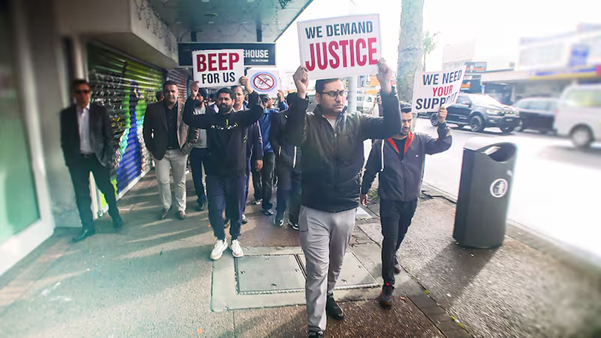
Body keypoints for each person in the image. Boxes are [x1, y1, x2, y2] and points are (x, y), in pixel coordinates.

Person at [286, 59, 401, 338]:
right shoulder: (309, 122)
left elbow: (391, 127)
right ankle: (316, 326)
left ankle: (329, 295)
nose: (340, 98)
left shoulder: (357, 121)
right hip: (314, 209)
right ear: (318, 97)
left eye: (342, 92)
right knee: (317, 269)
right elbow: (290, 136)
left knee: (336, 264)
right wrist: (299, 95)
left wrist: (387, 87)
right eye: (333, 93)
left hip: (347, 207)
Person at [361, 104, 452, 308]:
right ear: (394, 121)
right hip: (389, 201)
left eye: (409, 120)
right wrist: (364, 190)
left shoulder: (420, 140)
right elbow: (370, 169)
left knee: (400, 236)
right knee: (389, 239)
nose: (406, 125)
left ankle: (392, 257)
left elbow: (443, 145)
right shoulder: (382, 145)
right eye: (403, 121)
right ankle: (387, 286)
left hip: (410, 200)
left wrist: (443, 124)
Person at [183, 77, 263, 260]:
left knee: (236, 209)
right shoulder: (210, 118)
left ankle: (235, 238)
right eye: (220, 99)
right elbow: (188, 118)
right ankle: (220, 239)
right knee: (215, 209)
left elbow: (258, 110)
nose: (224, 101)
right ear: (216, 102)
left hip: (237, 174)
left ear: (233, 101)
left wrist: (249, 88)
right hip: (215, 175)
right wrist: (192, 96)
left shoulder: (241, 118)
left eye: (227, 98)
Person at [60, 79, 123, 242]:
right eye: (79, 92)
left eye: (86, 91)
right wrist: (69, 161)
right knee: (81, 195)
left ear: (90, 93)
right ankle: (87, 227)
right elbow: (65, 140)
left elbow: (109, 137)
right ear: (74, 94)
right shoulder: (66, 115)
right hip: (78, 161)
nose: (83, 95)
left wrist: (108, 157)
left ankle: (115, 216)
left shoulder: (99, 111)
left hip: (98, 158)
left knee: (106, 189)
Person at [143, 81, 196, 220]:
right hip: (161, 152)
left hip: (180, 151)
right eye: (167, 91)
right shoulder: (153, 109)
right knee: (163, 181)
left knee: (180, 181)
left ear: (178, 93)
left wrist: (188, 147)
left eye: (173, 91)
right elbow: (146, 131)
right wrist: (152, 149)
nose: (170, 94)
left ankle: (180, 208)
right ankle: (166, 206)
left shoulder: (186, 108)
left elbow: (194, 129)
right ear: (163, 93)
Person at [232, 85, 264, 225]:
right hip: (226, 158)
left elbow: (257, 137)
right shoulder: (225, 114)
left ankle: (240, 212)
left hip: (245, 157)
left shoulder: (250, 115)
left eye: (239, 94)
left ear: (244, 96)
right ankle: (230, 210)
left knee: (243, 186)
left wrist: (259, 157)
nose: (237, 97)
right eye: (234, 94)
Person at [251, 95, 287, 216]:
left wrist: (281, 100)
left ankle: (266, 205)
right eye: (262, 101)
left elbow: (285, 111)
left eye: (266, 101)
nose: (264, 103)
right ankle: (258, 195)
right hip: (254, 150)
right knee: (255, 175)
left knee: (268, 178)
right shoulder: (252, 114)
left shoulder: (272, 114)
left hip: (269, 150)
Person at [270, 93, 301, 230]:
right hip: (284, 161)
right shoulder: (279, 117)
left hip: (301, 161)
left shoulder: (306, 118)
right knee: (284, 189)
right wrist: (280, 153)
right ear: (291, 104)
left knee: (298, 192)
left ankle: (294, 219)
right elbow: (273, 138)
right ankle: (280, 213)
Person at [184, 82, 209, 211]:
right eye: (196, 95)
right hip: (195, 150)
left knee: (210, 175)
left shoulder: (210, 110)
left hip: (209, 149)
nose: (197, 97)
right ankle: (201, 198)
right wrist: (191, 96)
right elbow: (185, 117)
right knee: (197, 176)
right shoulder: (191, 110)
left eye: (199, 95)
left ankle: (211, 196)